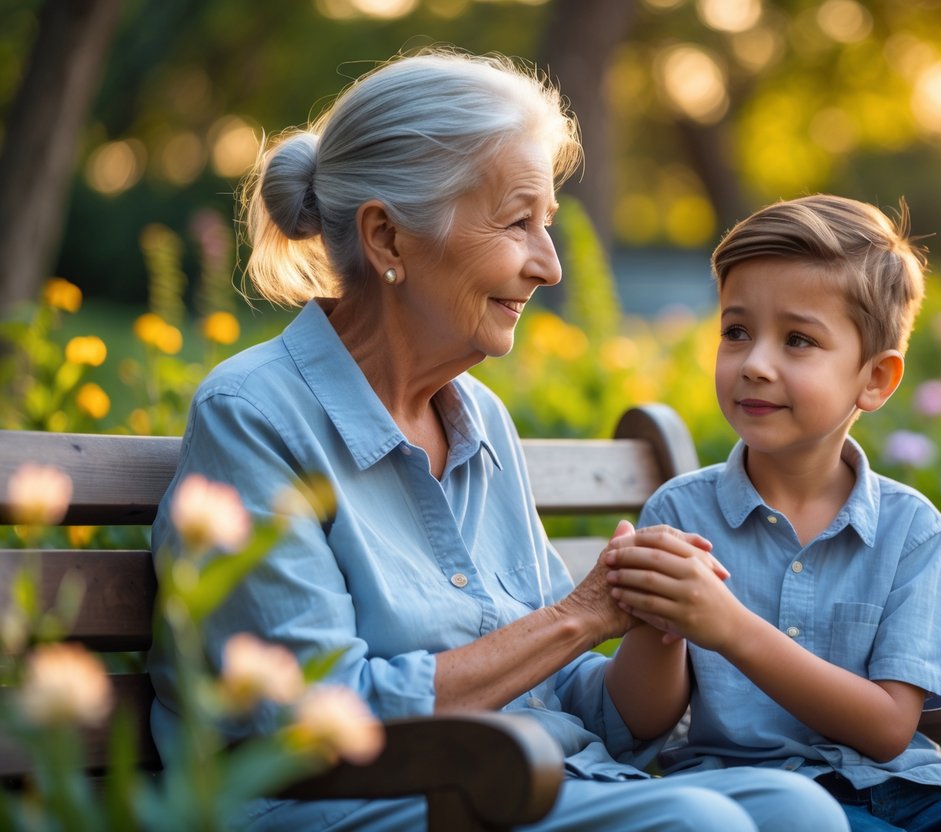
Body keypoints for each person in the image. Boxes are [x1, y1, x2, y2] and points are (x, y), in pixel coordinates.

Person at [146, 51, 848, 832]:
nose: (548, 266)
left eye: (545, 226)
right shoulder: (256, 414)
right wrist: (576, 618)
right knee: (699, 827)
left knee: (798, 811)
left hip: (523, 785)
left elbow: (573, 701)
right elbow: (311, 719)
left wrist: (649, 617)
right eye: (518, 223)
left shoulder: (476, 419)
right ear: (387, 238)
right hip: (345, 805)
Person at [606, 194, 941, 831]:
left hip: (913, 794)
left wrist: (729, 625)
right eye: (736, 331)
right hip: (753, 802)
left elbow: (890, 729)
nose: (754, 363)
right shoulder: (680, 512)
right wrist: (657, 626)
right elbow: (643, 723)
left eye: (799, 339)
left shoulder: (910, 528)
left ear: (876, 380)